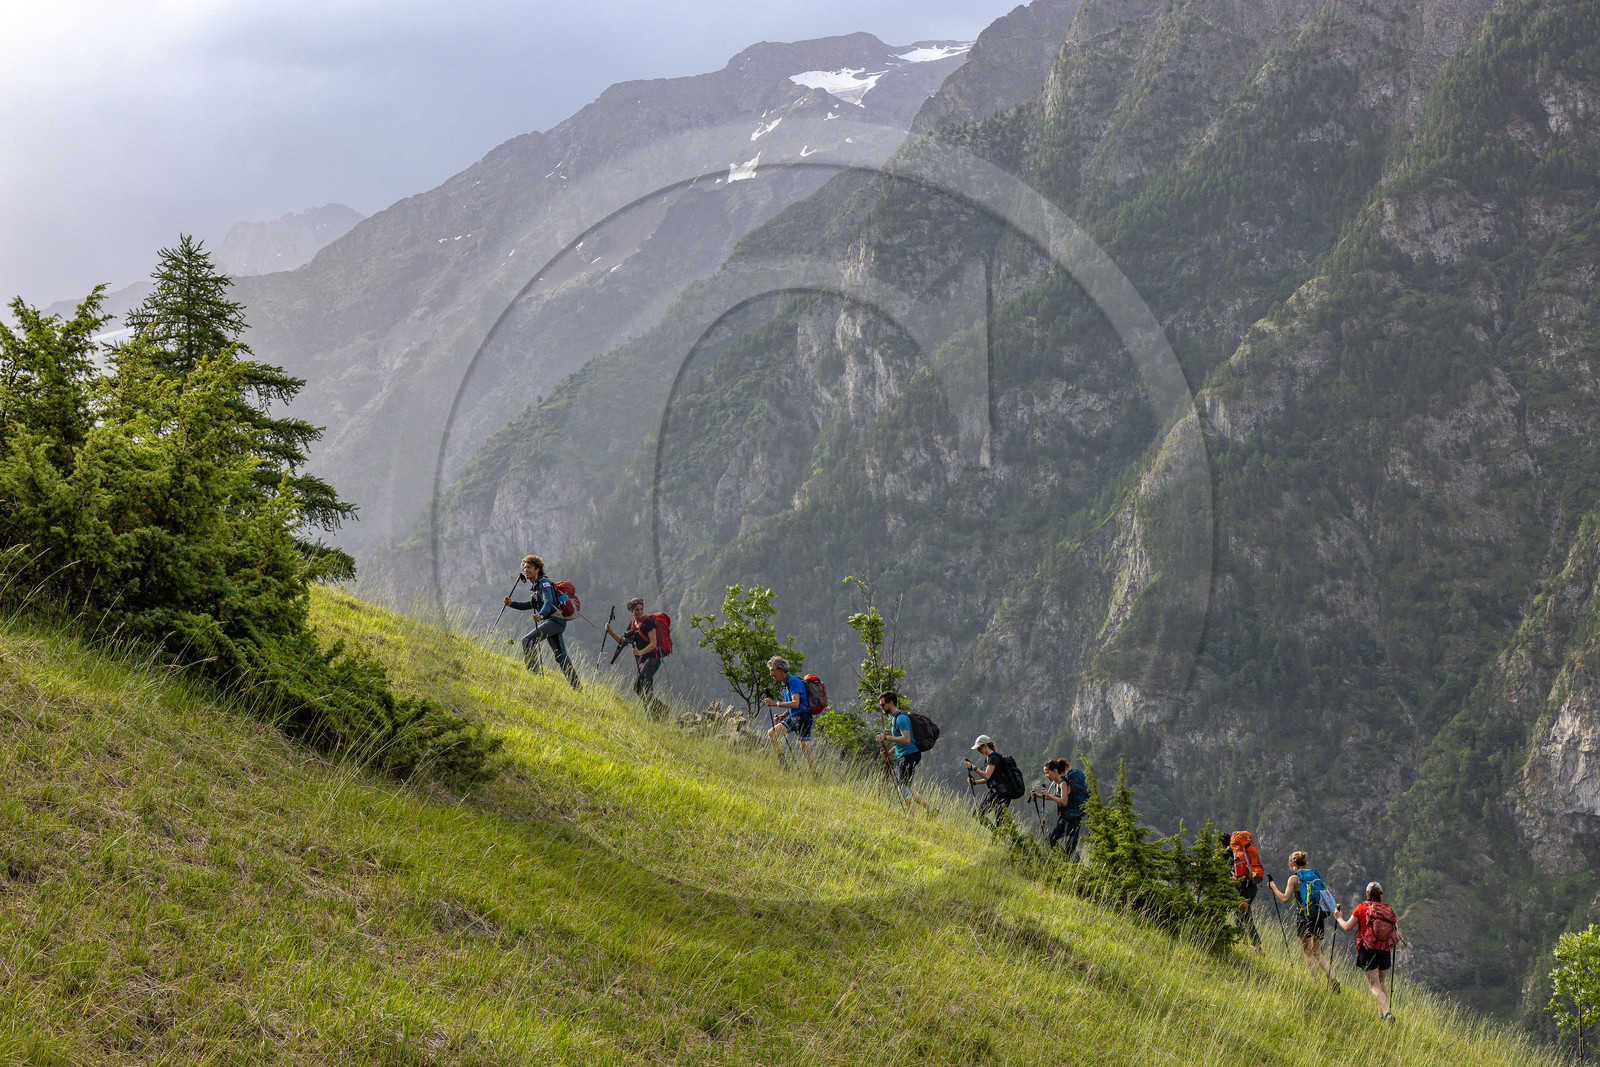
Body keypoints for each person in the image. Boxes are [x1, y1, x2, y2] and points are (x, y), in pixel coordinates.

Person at [503, 554, 580, 690]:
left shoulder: (544, 584)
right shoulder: (537, 586)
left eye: (529, 567)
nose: (526, 570)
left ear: (537, 569)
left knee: (527, 640)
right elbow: (530, 604)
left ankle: (534, 676)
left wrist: (541, 615)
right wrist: (512, 604)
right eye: (524, 567)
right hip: (556, 623)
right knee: (561, 656)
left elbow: (549, 601)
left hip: (554, 621)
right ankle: (577, 687)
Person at [1269, 851, 1339, 991]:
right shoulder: (1314, 874)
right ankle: (1332, 978)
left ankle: (1317, 984)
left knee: (1307, 953)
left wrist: (1273, 886)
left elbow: (1284, 899)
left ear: (1293, 864)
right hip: (1319, 916)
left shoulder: (1293, 879)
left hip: (1303, 917)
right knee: (1318, 952)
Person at [1335, 881, 1402, 1021]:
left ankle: (1386, 1013)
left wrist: (1338, 917)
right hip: (1385, 952)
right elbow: (1397, 936)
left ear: (1367, 893)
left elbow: (1347, 927)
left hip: (1368, 950)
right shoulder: (1389, 911)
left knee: (1374, 986)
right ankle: (1383, 1016)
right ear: (1381, 895)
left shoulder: (1362, 907)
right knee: (1381, 984)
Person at [606, 597, 663, 715]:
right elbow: (623, 642)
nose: (640, 612)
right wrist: (611, 632)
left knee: (645, 685)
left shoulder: (648, 622)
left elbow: (654, 644)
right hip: (642, 661)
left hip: (653, 659)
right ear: (632, 612)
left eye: (641, 609)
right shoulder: (632, 625)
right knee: (637, 688)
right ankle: (660, 709)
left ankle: (652, 715)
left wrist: (640, 652)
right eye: (637, 610)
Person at [875, 691, 931, 812]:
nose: (881, 708)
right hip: (907, 755)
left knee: (902, 786)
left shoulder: (901, 719)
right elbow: (899, 743)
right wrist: (888, 753)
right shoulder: (895, 719)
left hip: (909, 756)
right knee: (905, 786)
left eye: (882, 705)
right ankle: (930, 809)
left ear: (890, 703)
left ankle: (912, 815)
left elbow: (906, 740)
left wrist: (886, 738)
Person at [762, 656, 816, 770]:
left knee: (805, 748)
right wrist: (782, 716)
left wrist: (775, 703)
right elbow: (793, 704)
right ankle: (784, 766)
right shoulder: (785, 684)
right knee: (772, 733)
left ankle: (815, 775)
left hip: (803, 717)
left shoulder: (793, 681)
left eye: (772, 670)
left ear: (780, 670)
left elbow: (796, 703)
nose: (771, 674)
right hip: (793, 716)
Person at [1218, 830, 1265, 950]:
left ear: (1222, 845)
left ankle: (1257, 948)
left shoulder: (1228, 854)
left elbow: (1211, 865)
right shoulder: (1247, 851)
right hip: (1252, 887)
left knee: (1246, 919)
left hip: (1241, 889)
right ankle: (1245, 945)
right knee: (1240, 916)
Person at [1033, 758, 1086, 857]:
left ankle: (1071, 865)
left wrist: (1048, 794)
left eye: (1047, 773)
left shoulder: (1063, 783)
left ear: (1055, 771)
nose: (1046, 775)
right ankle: (1064, 860)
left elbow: (1064, 801)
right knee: (1049, 840)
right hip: (1064, 819)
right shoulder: (1056, 784)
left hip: (1072, 820)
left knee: (1069, 848)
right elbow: (1055, 797)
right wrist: (1039, 796)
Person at [964, 735, 1019, 827]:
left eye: (979, 748)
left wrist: (973, 767)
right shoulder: (992, 758)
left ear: (985, 745)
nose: (978, 751)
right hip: (999, 794)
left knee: (996, 821)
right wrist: (975, 782)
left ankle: (999, 836)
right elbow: (991, 778)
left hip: (999, 794)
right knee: (998, 822)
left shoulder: (993, 758)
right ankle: (1000, 836)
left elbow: (987, 775)